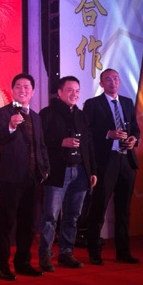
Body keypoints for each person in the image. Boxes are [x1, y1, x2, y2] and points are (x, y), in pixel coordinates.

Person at [0, 72, 50, 281]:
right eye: (18, 86)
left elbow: (41, 145)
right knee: (6, 223)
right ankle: (1, 265)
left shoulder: (36, 117)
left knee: (29, 223)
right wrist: (11, 126)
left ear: (32, 92)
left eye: (26, 87)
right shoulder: (1, 113)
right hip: (10, 177)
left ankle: (23, 263)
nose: (22, 90)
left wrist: (45, 169)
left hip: (33, 178)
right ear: (12, 90)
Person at [38, 76, 97, 272]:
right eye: (70, 90)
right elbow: (40, 143)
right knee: (50, 216)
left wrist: (92, 171)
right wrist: (60, 142)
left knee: (72, 216)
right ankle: (45, 254)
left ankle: (66, 252)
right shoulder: (47, 114)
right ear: (60, 92)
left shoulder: (81, 116)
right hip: (57, 172)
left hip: (80, 172)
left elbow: (89, 145)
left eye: (77, 91)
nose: (74, 94)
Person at [82, 68, 140, 265]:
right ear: (101, 83)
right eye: (108, 79)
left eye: (115, 78)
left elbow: (135, 128)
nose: (112, 82)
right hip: (106, 162)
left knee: (124, 210)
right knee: (99, 207)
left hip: (126, 161)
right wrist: (108, 134)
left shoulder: (127, 102)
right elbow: (86, 131)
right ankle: (94, 252)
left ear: (119, 81)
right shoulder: (92, 104)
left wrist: (133, 139)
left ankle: (123, 252)